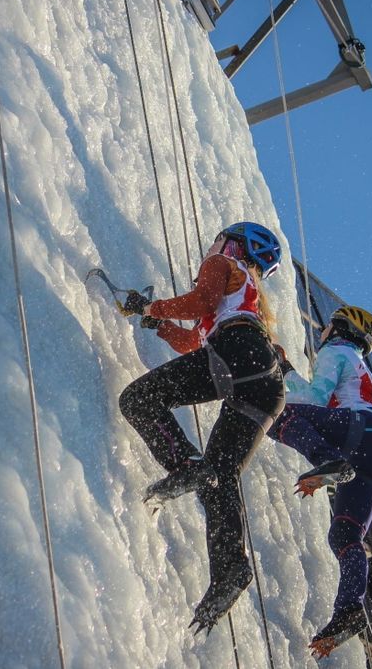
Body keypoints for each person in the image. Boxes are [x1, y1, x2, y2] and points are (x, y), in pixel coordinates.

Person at [118, 222, 286, 635]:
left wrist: (150, 307)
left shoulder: (222, 261)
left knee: (138, 400)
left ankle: (183, 465)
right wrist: (156, 324)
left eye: (217, 239)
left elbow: (199, 302)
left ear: (234, 244)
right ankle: (231, 569)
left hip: (237, 356)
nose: (210, 246)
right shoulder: (251, 300)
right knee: (220, 475)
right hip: (266, 381)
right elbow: (194, 342)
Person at [268, 305, 372, 658]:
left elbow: (312, 400)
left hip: (357, 436)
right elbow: (318, 400)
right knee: (345, 536)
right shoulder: (359, 364)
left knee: (278, 413)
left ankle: (326, 461)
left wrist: (282, 373)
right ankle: (349, 610)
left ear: (339, 328)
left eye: (326, 326)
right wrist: (288, 370)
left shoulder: (334, 351)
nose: (321, 331)